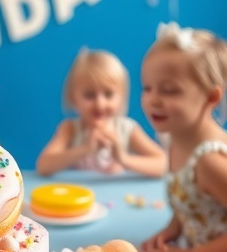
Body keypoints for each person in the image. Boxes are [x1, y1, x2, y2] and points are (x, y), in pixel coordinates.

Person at [140, 22, 227, 252]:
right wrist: (172, 229)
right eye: (147, 88)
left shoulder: (210, 161)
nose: (153, 100)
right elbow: (192, 201)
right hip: (197, 251)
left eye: (170, 91)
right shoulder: (174, 138)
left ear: (211, 97)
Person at [36, 48, 166, 177]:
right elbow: (43, 166)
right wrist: (84, 149)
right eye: (89, 95)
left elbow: (163, 164)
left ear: (121, 97)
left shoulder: (127, 130)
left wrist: (123, 159)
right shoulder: (70, 129)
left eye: (108, 94)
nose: (99, 104)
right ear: (73, 98)